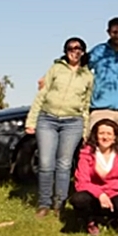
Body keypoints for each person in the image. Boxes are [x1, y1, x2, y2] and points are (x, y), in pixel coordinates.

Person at [25, 36, 93, 218]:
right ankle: (44, 203)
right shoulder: (55, 69)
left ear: (83, 51)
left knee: (64, 164)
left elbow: (86, 106)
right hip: (48, 119)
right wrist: (31, 121)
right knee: (46, 163)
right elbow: (42, 94)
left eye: (78, 48)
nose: (74, 51)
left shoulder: (88, 76)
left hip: (73, 122)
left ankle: (60, 204)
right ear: (66, 51)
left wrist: (86, 130)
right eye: (71, 48)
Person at [69, 119, 118, 236]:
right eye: (101, 133)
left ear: (115, 137)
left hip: (114, 191)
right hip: (91, 192)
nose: (105, 137)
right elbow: (81, 182)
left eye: (109, 134)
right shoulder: (86, 154)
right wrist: (100, 194)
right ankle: (90, 220)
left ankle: (111, 219)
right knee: (79, 200)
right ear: (96, 136)